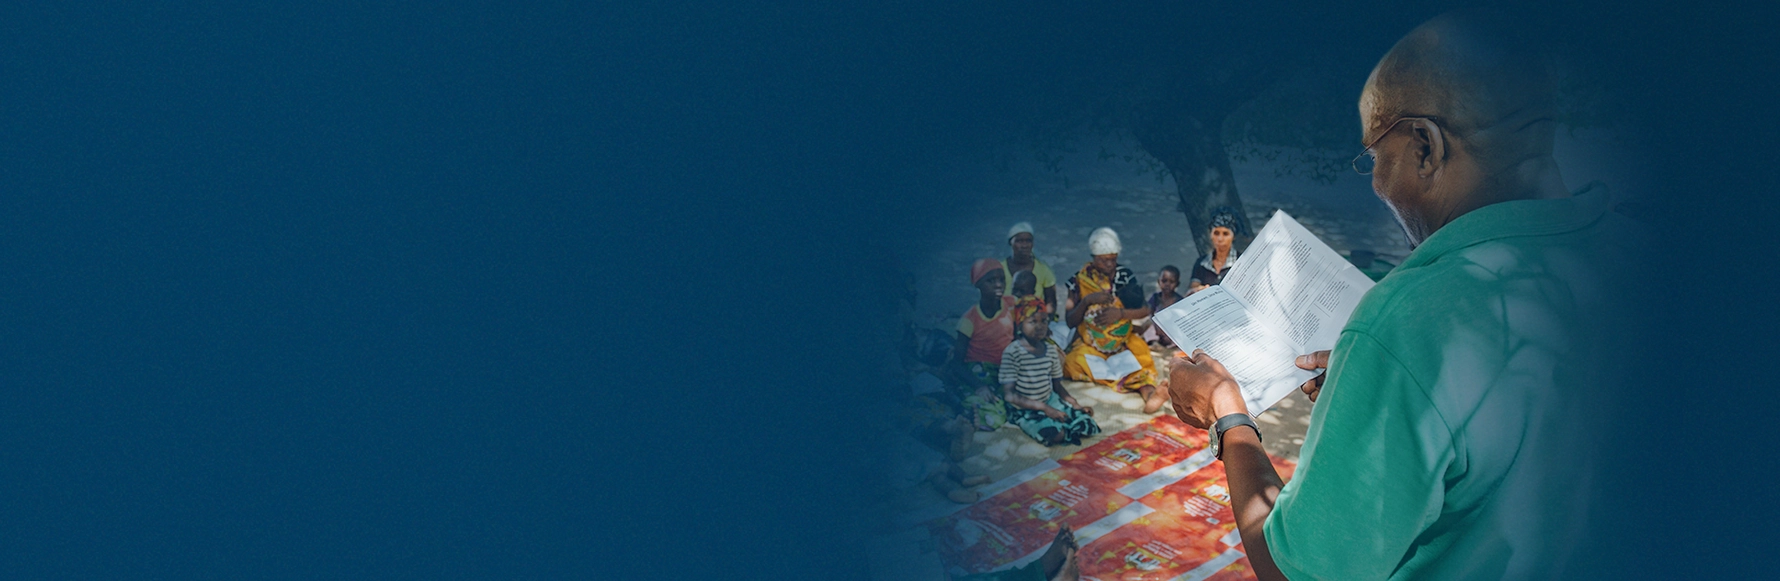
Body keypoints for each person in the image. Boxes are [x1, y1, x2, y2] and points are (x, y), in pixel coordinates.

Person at [1164, 13, 1638, 580]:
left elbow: (1296, 572)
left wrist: (1228, 414)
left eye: (1373, 156)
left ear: (1424, 145)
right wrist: (1390, 383)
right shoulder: (1636, 255)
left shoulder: (1413, 319)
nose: (1374, 183)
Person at [1062, 228, 1168, 413]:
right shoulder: (1079, 280)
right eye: (1104, 260)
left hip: (1122, 341)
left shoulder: (1124, 276)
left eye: (1113, 259)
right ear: (1093, 258)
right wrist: (1087, 301)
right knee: (1072, 362)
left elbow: (1145, 310)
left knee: (1140, 354)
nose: (1110, 264)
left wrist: (1120, 314)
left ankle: (1149, 393)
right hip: (1091, 343)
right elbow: (1070, 321)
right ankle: (1126, 380)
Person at [1000, 298, 1099, 446]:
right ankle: (1059, 428)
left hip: (1049, 400)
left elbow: (1057, 385)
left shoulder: (1051, 350)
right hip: (1024, 407)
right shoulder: (1012, 352)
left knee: (1087, 424)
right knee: (1055, 435)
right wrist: (1045, 408)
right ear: (1020, 325)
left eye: (1044, 321)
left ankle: (1065, 425)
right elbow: (1010, 395)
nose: (1040, 326)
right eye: (1033, 322)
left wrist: (1075, 404)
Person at [950, 258, 1018, 429]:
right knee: (994, 414)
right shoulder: (969, 320)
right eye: (991, 281)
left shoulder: (1011, 306)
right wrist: (979, 386)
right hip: (979, 370)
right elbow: (956, 364)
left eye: (1001, 279)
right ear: (978, 284)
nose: (998, 285)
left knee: (1028, 399)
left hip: (1006, 368)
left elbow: (1017, 337)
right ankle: (965, 414)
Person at [1002, 222, 1059, 317]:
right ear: (1010, 243)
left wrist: (1044, 320)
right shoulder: (999, 269)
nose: (1024, 245)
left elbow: (1051, 301)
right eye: (1019, 241)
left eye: (1028, 241)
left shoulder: (1043, 270)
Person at [1188, 207, 1244, 288]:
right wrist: (1198, 289)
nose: (1220, 239)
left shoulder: (1241, 262)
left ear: (1233, 237)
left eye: (1225, 234)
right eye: (1216, 233)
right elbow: (1193, 287)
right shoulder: (1201, 263)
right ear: (1211, 235)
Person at [1138, 265, 1185, 349]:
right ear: (1158, 281)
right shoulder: (1156, 297)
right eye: (1164, 281)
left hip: (1172, 330)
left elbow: (1181, 321)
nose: (1167, 284)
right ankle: (1154, 342)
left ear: (1177, 284)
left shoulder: (1179, 301)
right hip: (1157, 328)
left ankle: (1171, 345)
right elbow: (1151, 314)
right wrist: (1157, 327)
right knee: (1148, 327)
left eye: (1171, 282)